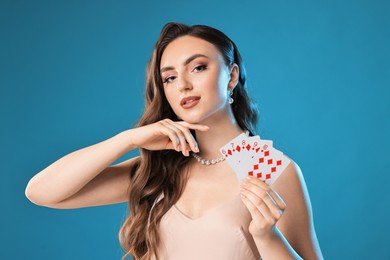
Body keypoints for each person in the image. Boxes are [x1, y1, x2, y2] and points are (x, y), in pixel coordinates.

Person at [25, 22, 323, 260]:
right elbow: (40, 192)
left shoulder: (270, 169)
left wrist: (266, 237)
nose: (183, 85)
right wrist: (127, 139)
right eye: (169, 78)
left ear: (231, 77)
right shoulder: (157, 169)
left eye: (198, 67)